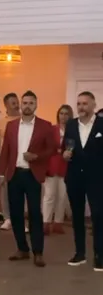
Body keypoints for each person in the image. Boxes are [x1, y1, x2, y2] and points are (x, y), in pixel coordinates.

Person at [0, 90, 55, 267]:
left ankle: (38, 252)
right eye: (25, 103)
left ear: (36, 105)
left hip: (32, 174)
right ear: (21, 105)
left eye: (31, 103)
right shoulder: (11, 126)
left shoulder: (45, 126)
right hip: (14, 174)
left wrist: (36, 156)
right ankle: (22, 248)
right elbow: (5, 151)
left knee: (35, 213)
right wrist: (1, 174)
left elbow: (52, 149)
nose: (27, 106)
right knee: (15, 213)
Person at [63, 91, 103, 270]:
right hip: (74, 177)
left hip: (97, 178)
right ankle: (80, 253)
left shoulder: (102, 124)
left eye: (85, 103)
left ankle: (100, 255)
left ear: (94, 105)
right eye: (78, 103)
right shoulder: (71, 125)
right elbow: (66, 146)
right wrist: (65, 154)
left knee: (98, 216)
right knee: (77, 216)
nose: (81, 107)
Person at [43, 104, 73, 235]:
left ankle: (58, 223)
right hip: (52, 165)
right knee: (49, 195)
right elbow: (45, 147)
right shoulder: (51, 129)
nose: (63, 116)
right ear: (58, 115)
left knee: (62, 196)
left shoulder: (73, 131)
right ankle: (45, 222)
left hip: (67, 166)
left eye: (66, 114)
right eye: (61, 113)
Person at [0, 93, 20, 231]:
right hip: (5, 160)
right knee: (4, 190)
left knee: (19, 190)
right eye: (13, 103)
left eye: (17, 102)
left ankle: (19, 219)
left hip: (20, 160)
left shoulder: (24, 120)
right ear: (6, 105)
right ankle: (7, 218)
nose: (16, 105)